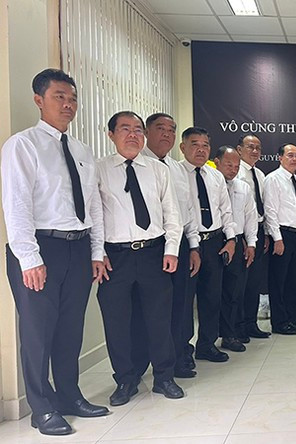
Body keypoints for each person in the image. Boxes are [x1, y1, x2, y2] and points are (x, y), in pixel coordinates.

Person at [2, 68, 109, 435]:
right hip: (39, 247)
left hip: (78, 248)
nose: (68, 104)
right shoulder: (22, 145)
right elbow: (16, 205)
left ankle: (69, 395)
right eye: (59, 96)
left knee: (70, 329)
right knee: (37, 332)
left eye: (73, 98)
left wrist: (97, 252)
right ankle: (42, 407)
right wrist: (29, 258)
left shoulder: (81, 150)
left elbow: (93, 205)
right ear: (39, 100)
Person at [95, 111, 184, 406]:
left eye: (137, 130)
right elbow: (94, 217)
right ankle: (125, 379)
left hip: (153, 254)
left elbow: (172, 212)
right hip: (115, 258)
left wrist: (171, 249)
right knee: (117, 323)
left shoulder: (158, 171)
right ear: (111, 135)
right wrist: (97, 253)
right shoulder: (99, 170)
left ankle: (164, 377)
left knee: (159, 319)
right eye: (125, 129)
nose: (132, 135)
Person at [136, 112, 201, 379]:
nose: (166, 134)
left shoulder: (177, 168)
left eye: (172, 130)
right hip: (152, 246)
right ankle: (144, 363)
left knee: (182, 304)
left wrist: (194, 245)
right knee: (150, 307)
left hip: (181, 244)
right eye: (160, 128)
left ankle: (180, 355)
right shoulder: (137, 165)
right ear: (147, 132)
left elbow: (188, 209)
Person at [180, 127, 237, 362]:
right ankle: (183, 351)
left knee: (212, 297)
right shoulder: (175, 173)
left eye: (205, 145)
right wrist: (192, 246)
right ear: (183, 147)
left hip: (214, 242)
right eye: (195, 144)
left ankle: (207, 344)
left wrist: (231, 239)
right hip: (187, 245)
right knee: (184, 301)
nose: (200, 149)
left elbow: (226, 210)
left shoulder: (214, 176)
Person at [214, 146, 258, 352]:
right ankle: (208, 339)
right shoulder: (209, 183)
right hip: (213, 240)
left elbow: (250, 217)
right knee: (211, 293)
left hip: (238, 241)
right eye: (228, 164)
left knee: (234, 291)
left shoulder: (243, 187)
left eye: (236, 165)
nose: (232, 169)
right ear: (217, 162)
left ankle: (230, 334)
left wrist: (251, 243)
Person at [264, 143, 296, 335]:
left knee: (293, 281)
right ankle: (279, 322)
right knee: (279, 281)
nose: (294, 159)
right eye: (290, 155)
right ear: (280, 158)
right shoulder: (273, 179)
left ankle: (290, 317)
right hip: (282, 235)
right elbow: (270, 211)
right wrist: (277, 239)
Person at [234, 133, 271, 342]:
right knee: (239, 283)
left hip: (256, 231)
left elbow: (262, 207)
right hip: (239, 235)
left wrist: (263, 233)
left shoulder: (260, 174)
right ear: (239, 149)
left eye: (258, 148)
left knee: (254, 282)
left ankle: (251, 323)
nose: (255, 151)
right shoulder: (234, 172)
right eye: (250, 147)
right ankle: (236, 328)